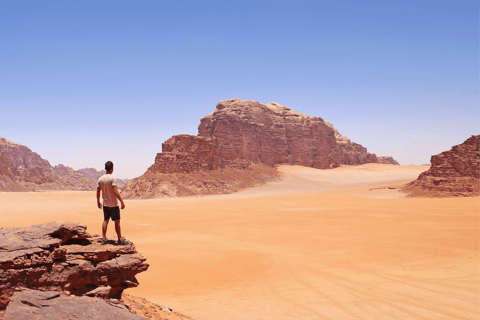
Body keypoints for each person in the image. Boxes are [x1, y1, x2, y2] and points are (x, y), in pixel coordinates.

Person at [96, 161, 126, 245]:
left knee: (106, 220)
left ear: (105, 168)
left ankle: (104, 238)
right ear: (112, 169)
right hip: (113, 204)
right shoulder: (112, 178)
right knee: (117, 222)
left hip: (105, 204)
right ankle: (119, 239)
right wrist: (122, 201)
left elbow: (98, 191)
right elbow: (115, 190)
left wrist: (98, 201)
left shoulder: (100, 179)